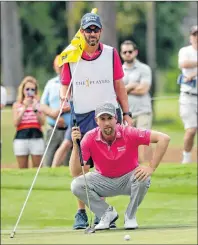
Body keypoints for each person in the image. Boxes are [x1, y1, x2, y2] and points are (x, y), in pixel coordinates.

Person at [60, 12, 133, 229]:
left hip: (109, 115)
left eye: (95, 29)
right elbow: (65, 84)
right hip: (82, 114)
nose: (92, 33)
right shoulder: (71, 55)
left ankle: (103, 212)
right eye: (88, 30)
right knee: (79, 164)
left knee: (106, 164)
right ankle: (81, 212)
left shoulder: (111, 54)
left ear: (100, 31)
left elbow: (119, 85)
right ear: (81, 32)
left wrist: (127, 114)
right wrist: (64, 98)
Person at [70, 102, 170, 230]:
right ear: (97, 121)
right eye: (102, 119)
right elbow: (75, 172)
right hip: (103, 180)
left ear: (116, 119)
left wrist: (151, 167)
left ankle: (130, 216)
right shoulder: (89, 138)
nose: (106, 123)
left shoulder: (129, 132)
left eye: (110, 118)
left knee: (144, 177)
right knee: (76, 185)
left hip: (128, 178)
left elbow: (164, 138)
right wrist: (75, 145)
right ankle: (106, 214)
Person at [120, 40, 152, 162]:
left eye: (130, 51)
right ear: (121, 54)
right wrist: (132, 85)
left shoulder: (144, 69)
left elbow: (143, 89)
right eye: (125, 52)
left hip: (143, 110)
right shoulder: (119, 70)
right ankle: (131, 171)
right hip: (126, 113)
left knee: (143, 141)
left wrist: (124, 89)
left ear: (136, 52)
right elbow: (116, 91)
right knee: (128, 143)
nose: (128, 54)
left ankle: (144, 170)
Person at [40, 56, 72, 167]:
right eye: (58, 65)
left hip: (69, 129)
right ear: (54, 67)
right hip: (53, 128)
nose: (61, 68)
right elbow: (42, 105)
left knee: (68, 162)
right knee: (48, 160)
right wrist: (54, 114)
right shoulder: (50, 83)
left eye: (63, 65)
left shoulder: (73, 83)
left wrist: (64, 109)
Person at [12, 76, 45, 168]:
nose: (29, 91)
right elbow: (15, 122)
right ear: (23, 90)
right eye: (27, 89)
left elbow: (42, 122)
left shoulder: (38, 104)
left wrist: (35, 109)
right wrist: (24, 108)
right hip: (21, 136)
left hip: (36, 135)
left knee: (37, 168)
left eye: (32, 89)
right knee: (22, 168)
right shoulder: (17, 104)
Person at [178, 25, 197, 164]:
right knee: (191, 130)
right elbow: (184, 64)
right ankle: (186, 158)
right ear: (191, 37)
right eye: (194, 34)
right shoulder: (185, 51)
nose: (197, 37)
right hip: (188, 96)